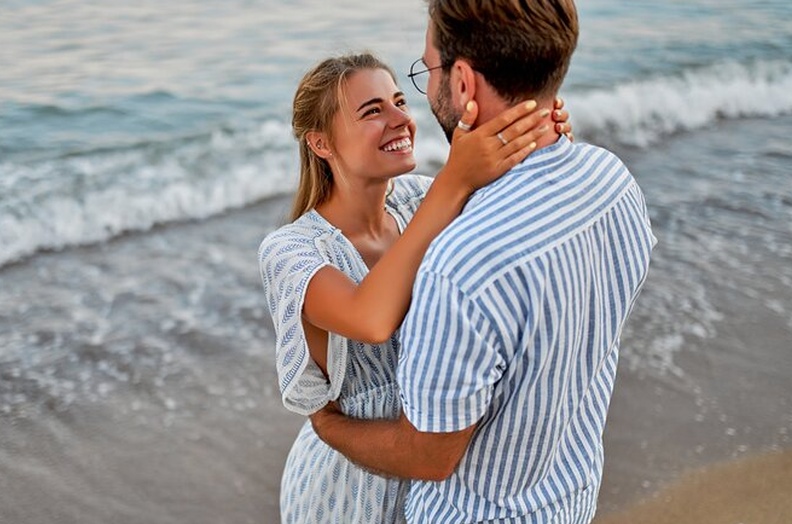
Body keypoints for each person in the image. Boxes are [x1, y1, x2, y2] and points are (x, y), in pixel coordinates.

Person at [309, 2, 657, 523]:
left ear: (465, 83)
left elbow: (428, 455)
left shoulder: (460, 266)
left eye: (426, 71)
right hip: (570, 500)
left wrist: (328, 426)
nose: (417, 101)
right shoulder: (613, 185)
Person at [258, 52, 572, 523]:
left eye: (400, 101)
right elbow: (371, 319)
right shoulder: (292, 250)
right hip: (349, 488)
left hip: (441, 474)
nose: (402, 119)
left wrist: (542, 134)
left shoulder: (419, 199)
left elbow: (521, 222)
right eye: (373, 111)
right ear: (321, 143)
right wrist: (454, 180)